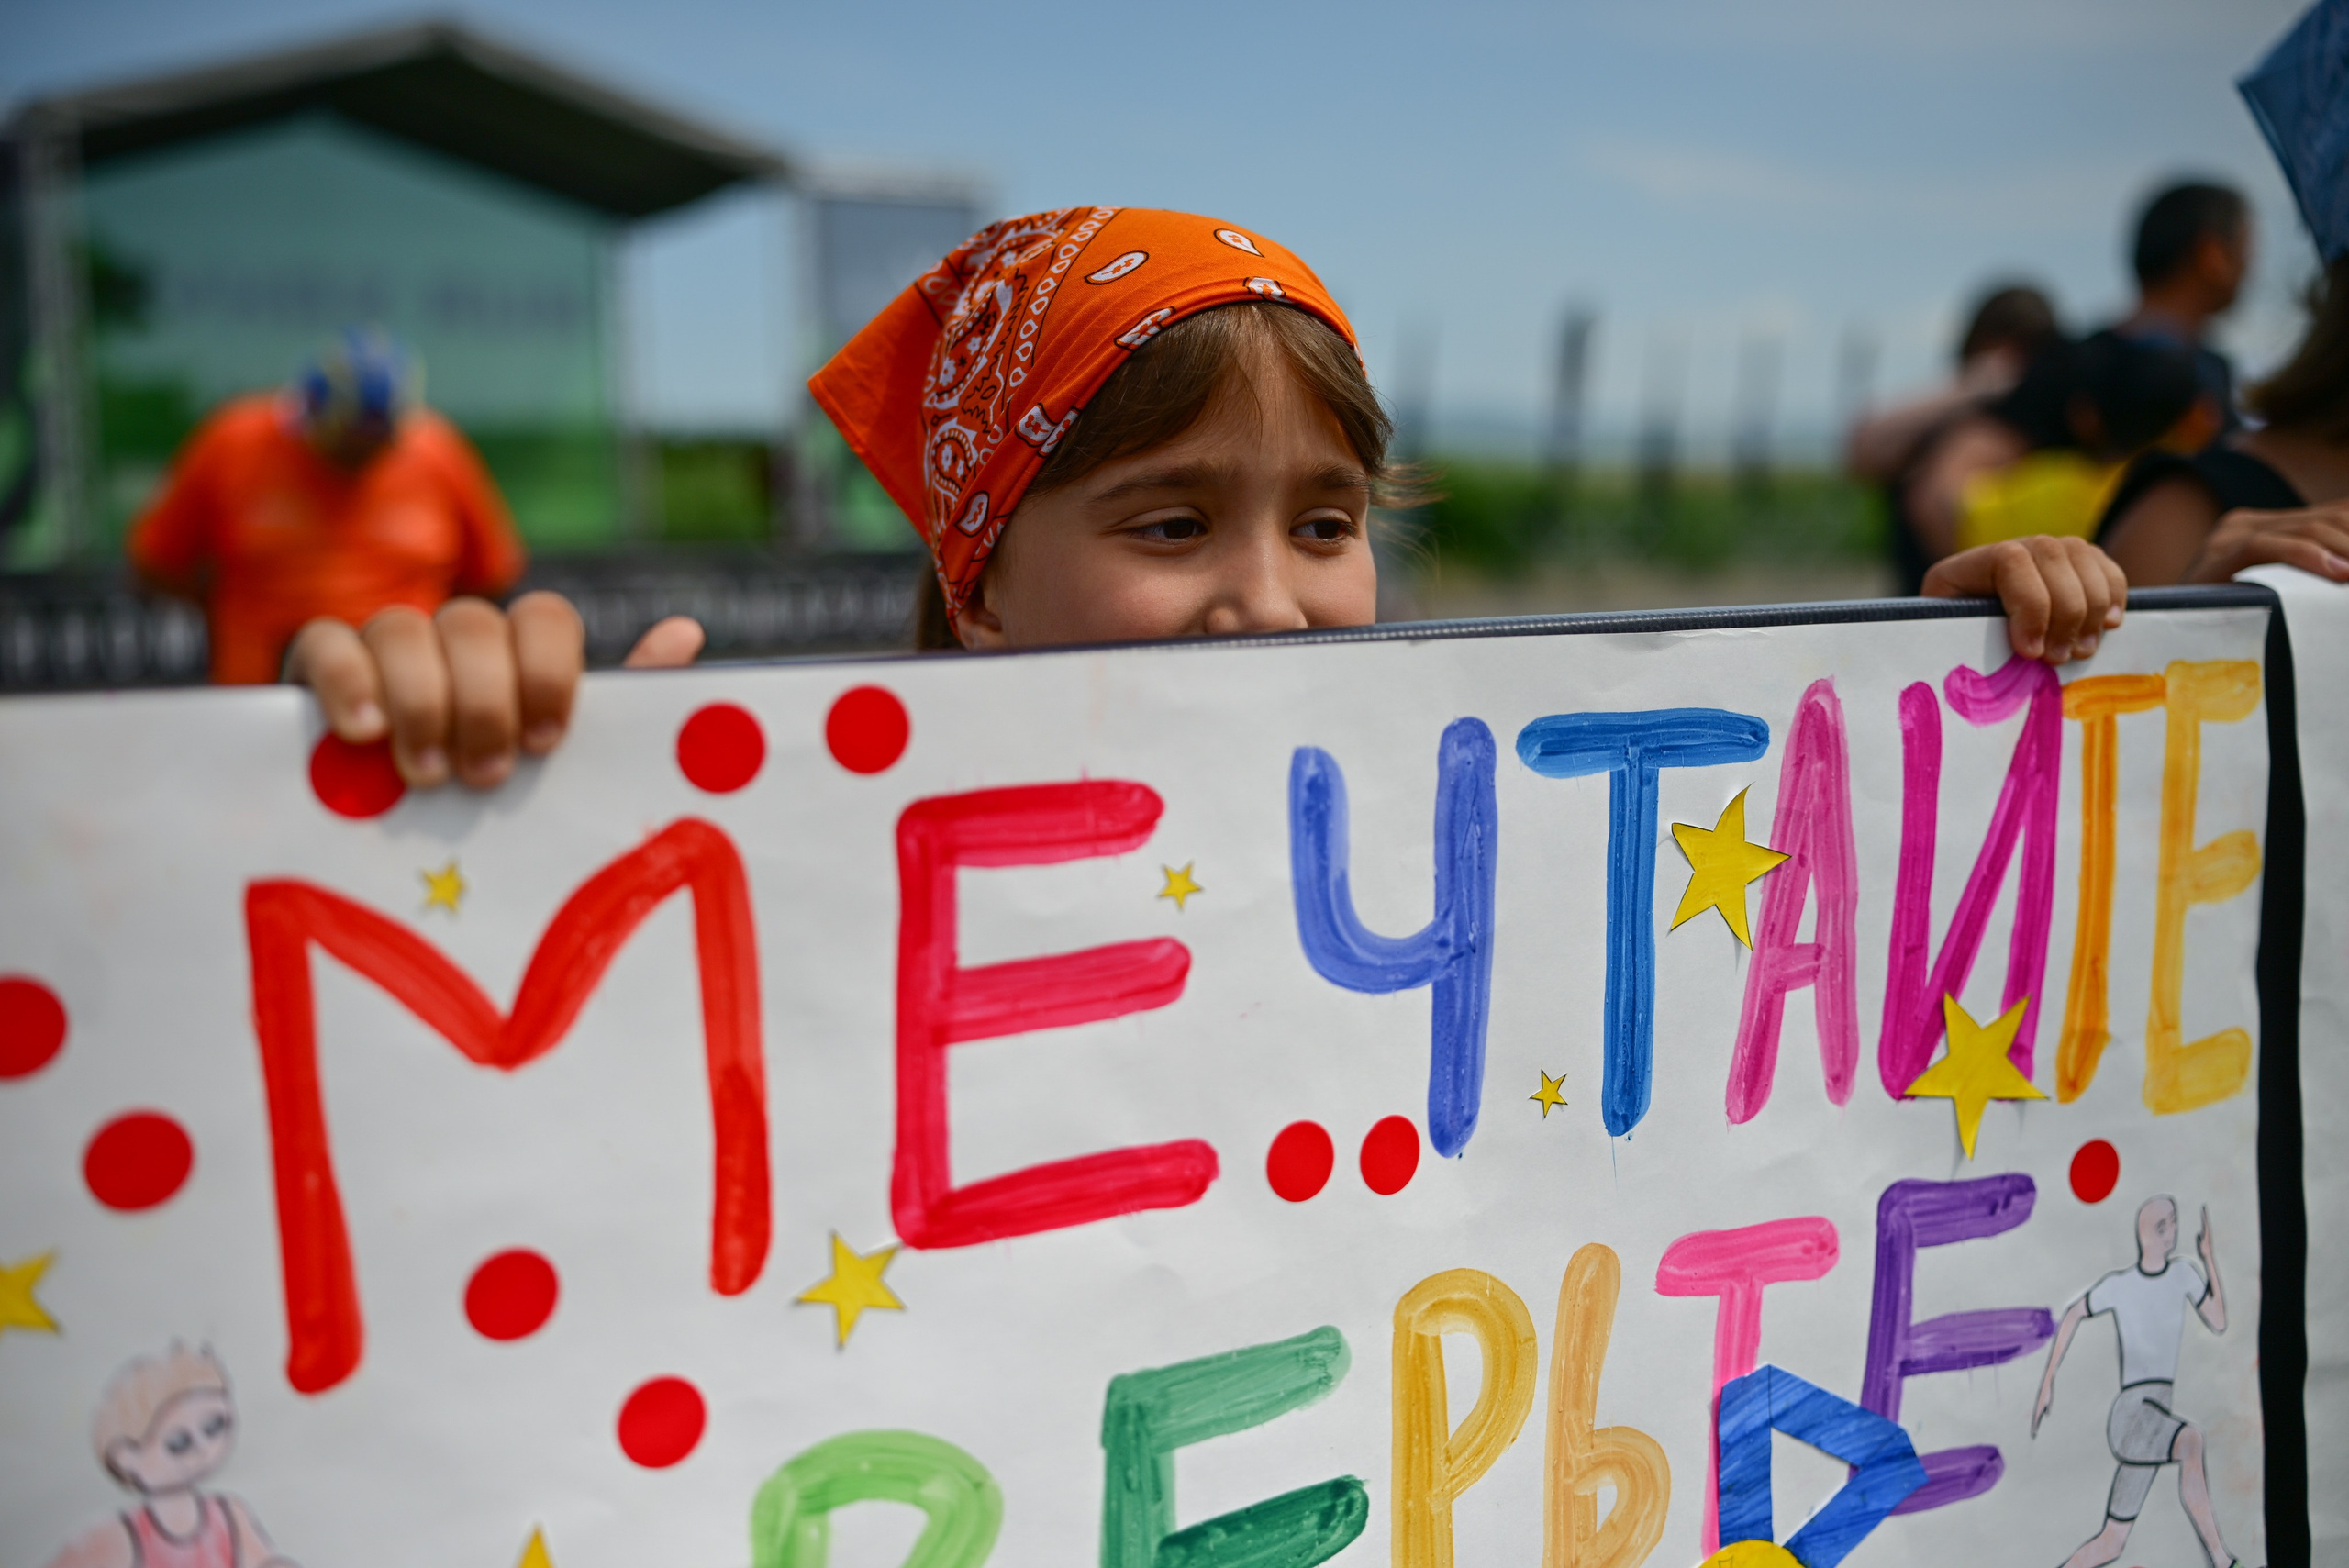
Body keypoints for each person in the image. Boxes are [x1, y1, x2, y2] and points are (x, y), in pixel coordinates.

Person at [285, 208, 2130, 792]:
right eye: (1171, 526)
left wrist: (1948, 688)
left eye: (1323, 526)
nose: (1269, 596)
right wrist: (490, 764)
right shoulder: (795, 847)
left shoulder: (1464, 824)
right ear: (982, 581)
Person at [128, 328, 527, 687]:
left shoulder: (436, 450)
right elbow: (157, 560)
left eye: (377, 445)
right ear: (308, 415)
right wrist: (229, 612)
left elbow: (490, 572)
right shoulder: (234, 441)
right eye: (348, 442)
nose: (362, 456)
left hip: (405, 685)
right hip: (260, 690)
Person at [2030, 1196, 2239, 1568]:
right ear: (2156, 1233)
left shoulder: (2183, 1274)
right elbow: (2075, 1311)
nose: (2176, 1228)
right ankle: (2224, 1563)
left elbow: (2219, 1321)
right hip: (2132, 1416)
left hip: (2153, 1419)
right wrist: (2048, 1380)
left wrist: (2208, 1257)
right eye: (2171, 1223)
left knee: (2112, 1542)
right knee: (2191, 1440)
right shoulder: (2121, 1284)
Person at [1897, 329, 2200, 567]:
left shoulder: (2057, 493)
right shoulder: (2196, 492)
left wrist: (1981, 420)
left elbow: (1936, 503)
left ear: (2085, 417)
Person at [1845, 283, 2062, 594]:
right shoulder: (1946, 413)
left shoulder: (2040, 422)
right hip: (1924, 596)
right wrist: (1970, 386)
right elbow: (1862, 451)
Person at [45, 1343, 298, 1568]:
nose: (202, 1448)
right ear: (126, 1456)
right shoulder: (118, 1536)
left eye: (214, 1426)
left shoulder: (228, 1515)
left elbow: (263, 1561)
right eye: (179, 1442)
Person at [2113, 182, 2254, 438]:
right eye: (2245, 253)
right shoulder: (2204, 375)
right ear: (2211, 255)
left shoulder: (2072, 363)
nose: (2249, 271)